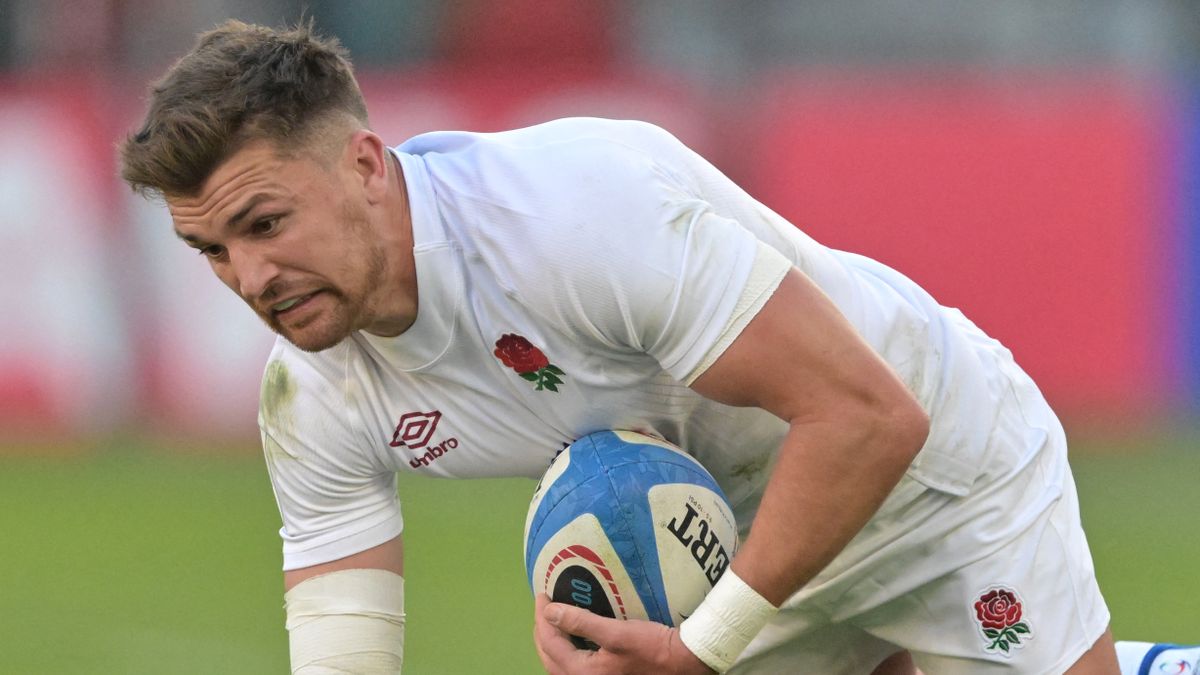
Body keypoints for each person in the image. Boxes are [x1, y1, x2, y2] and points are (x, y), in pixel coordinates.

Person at [119, 19, 1188, 675]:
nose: (249, 280)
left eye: (265, 226)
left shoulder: (573, 215)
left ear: (361, 165)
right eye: (210, 249)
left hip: (930, 475)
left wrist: (706, 647)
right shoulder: (309, 394)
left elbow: (869, 417)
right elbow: (343, 645)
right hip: (721, 554)